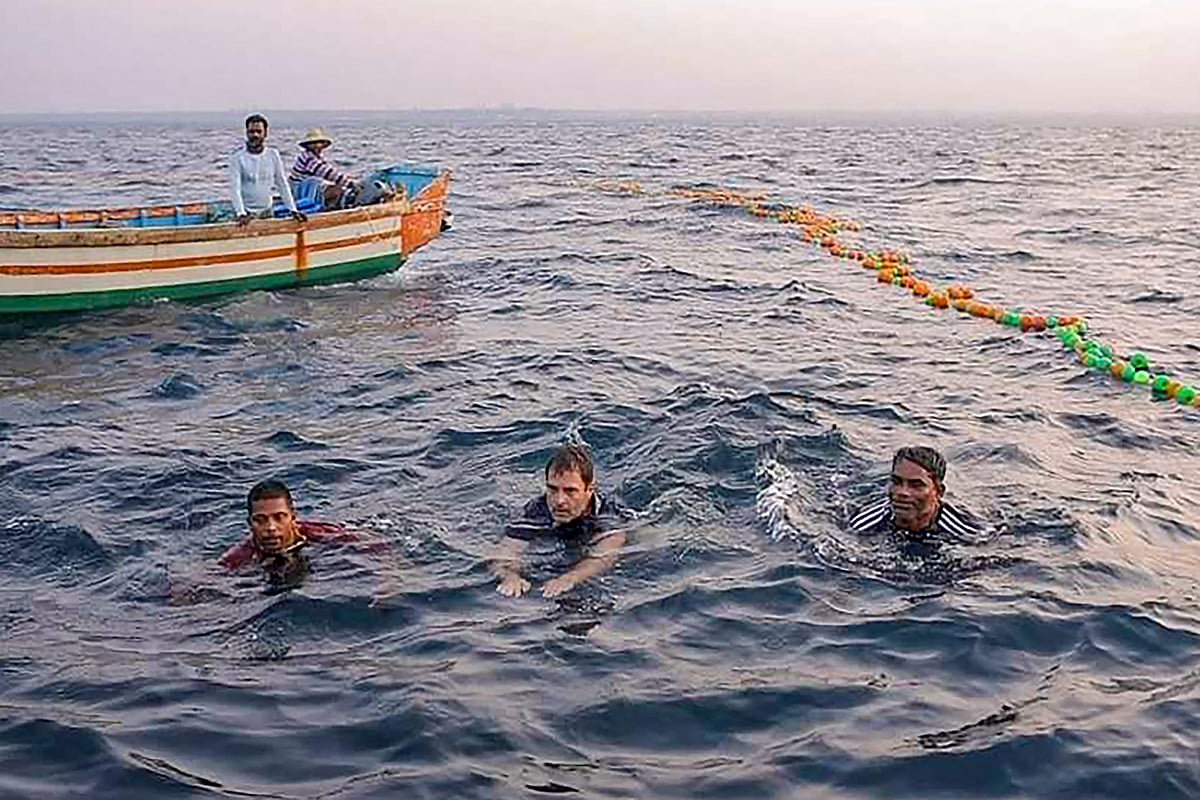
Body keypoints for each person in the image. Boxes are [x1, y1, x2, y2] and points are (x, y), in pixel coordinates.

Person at [494, 444, 629, 599]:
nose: (559, 501)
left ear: (589, 489)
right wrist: (510, 576)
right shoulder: (537, 510)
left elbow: (605, 556)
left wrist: (569, 578)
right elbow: (506, 551)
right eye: (552, 489)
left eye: (570, 491)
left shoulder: (608, 514)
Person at [218, 479, 356, 574]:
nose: (271, 527)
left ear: (293, 518)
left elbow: (371, 547)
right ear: (249, 524)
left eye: (279, 517)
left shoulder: (322, 534)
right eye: (260, 520)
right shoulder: (239, 556)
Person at [848, 446, 985, 539]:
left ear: (939, 492)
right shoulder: (865, 523)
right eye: (897, 482)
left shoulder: (966, 531)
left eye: (916, 485)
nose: (902, 492)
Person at [229, 114, 306, 226]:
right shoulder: (237, 157)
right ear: (246, 133)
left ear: (265, 133)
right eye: (251, 131)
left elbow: (282, 184)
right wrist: (241, 213)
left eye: (259, 131)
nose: (255, 135)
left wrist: (293, 210)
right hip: (246, 214)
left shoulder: (273, 154)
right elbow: (234, 189)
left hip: (267, 212)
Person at [289, 127, 360, 211]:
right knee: (335, 190)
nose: (317, 146)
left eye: (319, 143)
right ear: (308, 145)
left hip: (304, 188)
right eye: (313, 143)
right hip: (300, 190)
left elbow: (329, 170)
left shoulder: (316, 157)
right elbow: (328, 173)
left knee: (336, 187)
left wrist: (347, 181)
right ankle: (327, 209)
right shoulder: (308, 158)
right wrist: (350, 184)